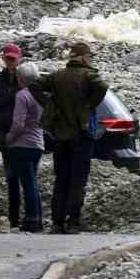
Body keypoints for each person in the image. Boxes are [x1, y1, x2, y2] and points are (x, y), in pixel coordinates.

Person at [37, 42, 107, 234]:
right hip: (82, 135)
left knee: (61, 178)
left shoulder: (57, 76)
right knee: (78, 179)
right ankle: (73, 222)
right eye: (90, 57)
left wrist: (48, 104)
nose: (91, 59)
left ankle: (57, 222)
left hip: (60, 136)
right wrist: (89, 105)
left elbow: (34, 84)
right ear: (84, 58)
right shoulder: (88, 75)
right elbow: (102, 86)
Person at [4, 62, 46, 233]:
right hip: (38, 143)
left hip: (23, 144)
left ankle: (32, 219)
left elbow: (18, 123)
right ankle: (38, 218)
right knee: (32, 181)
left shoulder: (23, 95)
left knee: (27, 182)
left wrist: (9, 138)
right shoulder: (41, 95)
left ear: (21, 78)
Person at [0, 43, 24, 224]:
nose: (10, 62)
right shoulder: (2, 78)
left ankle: (29, 217)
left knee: (24, 176)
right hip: (5, 133)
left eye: (12, 59)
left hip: (21, 134)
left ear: (19, 59)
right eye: (7, 58)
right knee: (11, 176)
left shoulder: (24, 79)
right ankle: (14, 217)